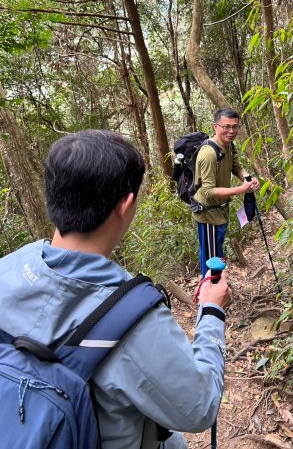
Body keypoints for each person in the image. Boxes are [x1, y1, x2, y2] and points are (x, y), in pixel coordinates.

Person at [0, 129, 231, 449]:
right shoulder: (132, 318)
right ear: (126, 205)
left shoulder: (8, 268)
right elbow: (199, 408)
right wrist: (212, 312)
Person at [192, 108, 260, 277]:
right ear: (215, 126)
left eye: (235, 127)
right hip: (208, 214)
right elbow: (207, 191)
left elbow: (236, 166)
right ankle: (209, 296)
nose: (231, 131)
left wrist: (247, 177)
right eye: (226, 127)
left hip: (220, 211)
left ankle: (216, 289)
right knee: (211, 258)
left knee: (216, 253)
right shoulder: (208, 153)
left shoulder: (228, 145)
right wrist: (241, 190)